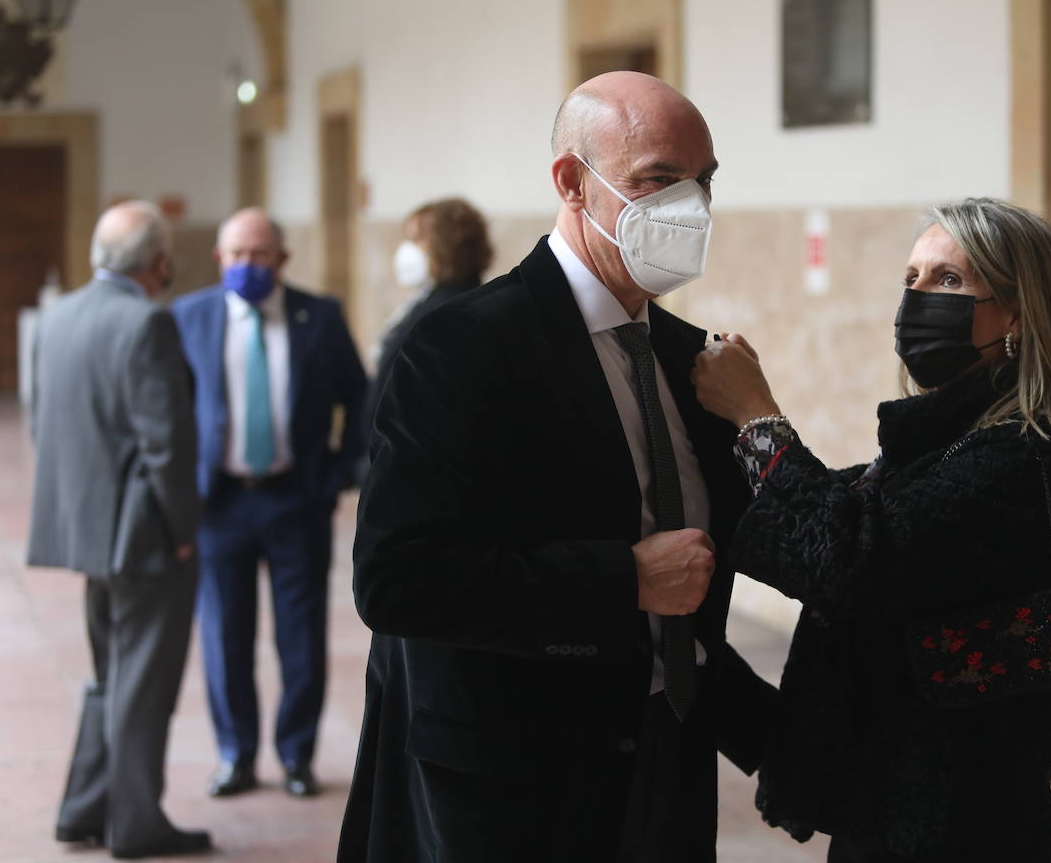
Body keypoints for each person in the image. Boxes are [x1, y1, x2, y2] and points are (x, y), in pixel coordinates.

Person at [338, 71, 774, 863]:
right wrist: (622, 578)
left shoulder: (691, 359)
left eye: (704, 182)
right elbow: (398, 580)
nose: (692, 206)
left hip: (666, 766)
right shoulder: (462, 346)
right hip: (510, 783)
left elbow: (710, 590)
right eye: (659, 181)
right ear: (573, 183)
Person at [692, 197, 1051, 862]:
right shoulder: (943, 444)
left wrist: (757, 417)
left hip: (962, 824)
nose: (917, 299)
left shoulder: (1023, 455)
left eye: (948, 280)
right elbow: (835, 513)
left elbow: (847, 558)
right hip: (892, 804)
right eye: (911, 278)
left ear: (1019, 314)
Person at [27, 201, 211, 858]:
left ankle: (84, 808)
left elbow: (38, 418)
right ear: (160, 263)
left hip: (87, 528)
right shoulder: (146, 324)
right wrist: (184, 527)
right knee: (141, 684)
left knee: (110, 674)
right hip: (144, 536)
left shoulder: (58, 316)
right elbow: (166, 444)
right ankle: (135, 824)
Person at [171, 207, 368, 800]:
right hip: (220, 504)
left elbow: (358, 400)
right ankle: (236, 755)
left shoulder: (320, 316)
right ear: (219, 259)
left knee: (300, 635)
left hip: (294, 501)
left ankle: (296, 756)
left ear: (281, 259)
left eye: (259, 255)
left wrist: (335, 475)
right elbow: (170, 411)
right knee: (225, 636)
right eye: (236, 255)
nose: (247, 265)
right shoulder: (189, 318)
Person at [365, 197, 493, 429]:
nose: (406, 250)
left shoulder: (452, 308)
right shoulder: (428, 297)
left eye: (416, 239)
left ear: (446, 244)